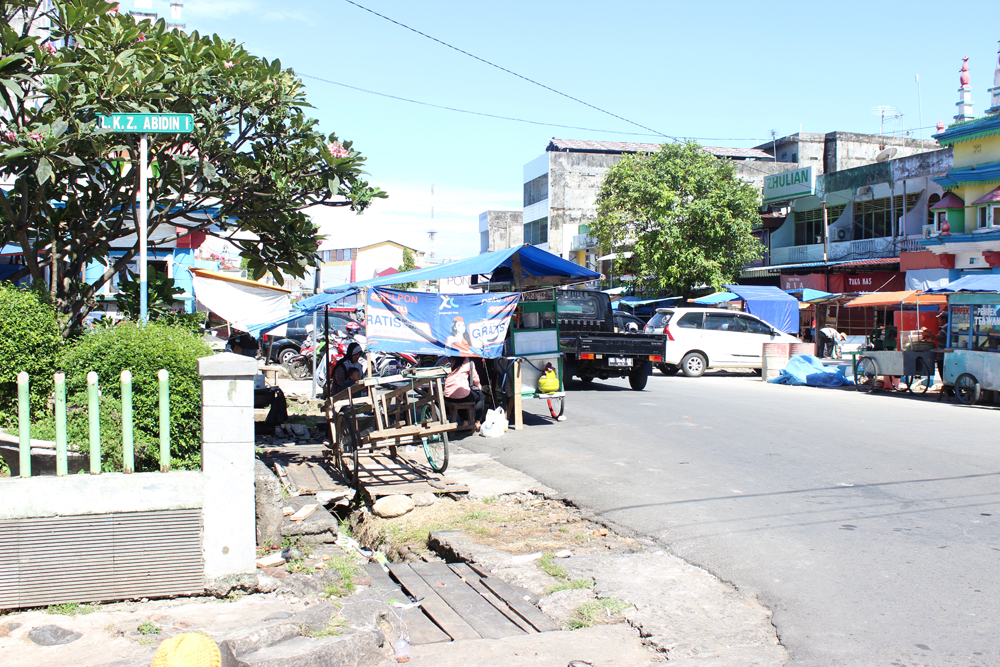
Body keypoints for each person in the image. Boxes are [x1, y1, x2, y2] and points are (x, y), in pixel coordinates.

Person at [443, 356, 485, 427]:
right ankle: (477, 421)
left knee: (462, 394)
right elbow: (475, 379)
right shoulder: (467, 361)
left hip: (448, 396)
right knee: (480, 396)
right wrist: (479, 386)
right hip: (462, 396)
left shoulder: (446, 360)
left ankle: (465, 420)